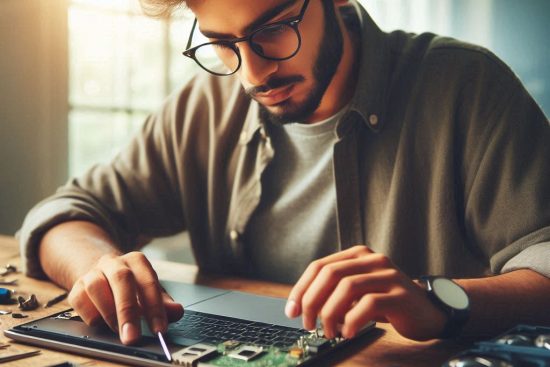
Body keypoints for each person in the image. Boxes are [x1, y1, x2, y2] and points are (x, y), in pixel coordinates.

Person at [19, 0, 550, 347]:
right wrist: (99, 266)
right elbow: (66, 212)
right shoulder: (207, 104)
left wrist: (438, 301)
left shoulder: (468, 87)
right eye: (222, 43)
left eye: (273, 30)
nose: (252, 74)